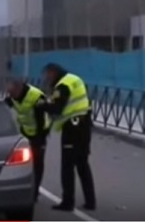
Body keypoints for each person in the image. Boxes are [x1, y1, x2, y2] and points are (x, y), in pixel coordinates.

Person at [37, 63, 96, 211]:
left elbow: (57, 109)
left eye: (47, 75)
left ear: (53, 72)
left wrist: (41, 105)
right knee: (82, 164)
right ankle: (91, 201)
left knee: (67, 166)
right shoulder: (74, 79)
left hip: (73, 129)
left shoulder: (62, 85)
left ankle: (67, 202)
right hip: (84, 126)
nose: (46, 78)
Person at [3, 80, 50, 201]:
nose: (11, 97)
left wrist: (40, 140)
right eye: (10, 94)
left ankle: (34, 193)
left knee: (37, 163)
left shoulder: (36, 96)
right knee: (24, 162)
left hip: (40, 133)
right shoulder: (13, 96)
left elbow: (43, 120)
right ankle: (24, 188)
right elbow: (4, 106)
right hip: (25, 132)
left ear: (19, 89)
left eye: (12, 93)